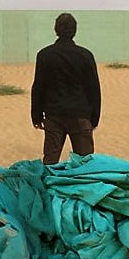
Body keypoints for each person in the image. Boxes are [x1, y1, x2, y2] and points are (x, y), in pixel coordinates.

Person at [30, 13, 102, 165]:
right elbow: (94, 89)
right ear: (74, 31)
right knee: (85, 164)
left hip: (54, 115)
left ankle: (48, 187)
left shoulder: (44, 55)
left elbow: (38, 87)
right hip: (80, 115)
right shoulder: (85, 55)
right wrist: (94, 118)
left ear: (56, 29)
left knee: (50, 162)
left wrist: (36, 116)